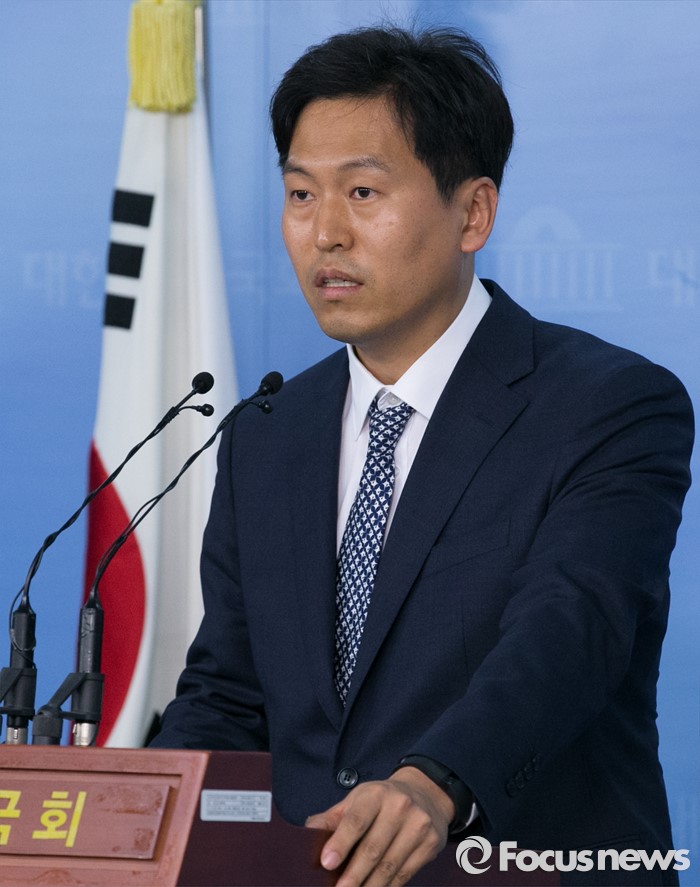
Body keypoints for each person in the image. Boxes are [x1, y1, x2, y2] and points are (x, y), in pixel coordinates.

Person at [150, 26, 694, 887]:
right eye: (300, 194)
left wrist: (435, 782)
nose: (326, 233)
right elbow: (228, 693)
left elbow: (569, 632)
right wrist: (135, 816)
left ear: (473, 213)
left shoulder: (607, 405)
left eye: (363, 192)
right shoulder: (268, 433)